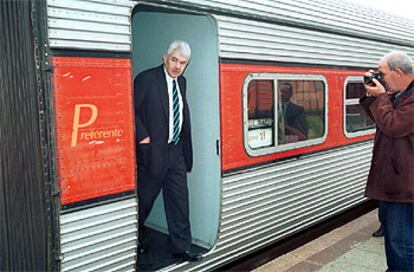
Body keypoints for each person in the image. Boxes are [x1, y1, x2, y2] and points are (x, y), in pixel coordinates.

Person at [134, 40, 201, 262]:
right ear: (165, 57)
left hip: (176, 153)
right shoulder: (146, 79)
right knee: (143, 203)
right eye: (174, 60)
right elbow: (129, 109)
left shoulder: (182, 82)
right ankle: (135, 243)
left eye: (182, 63)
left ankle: (181, 247)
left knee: (179, 203)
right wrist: (143, 138)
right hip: (152, 153)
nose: (177, 66)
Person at [360, 51, 414, 271]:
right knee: (396, 240)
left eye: (381, 73)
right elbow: (382, 120)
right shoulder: (402, 93)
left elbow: (393, 126)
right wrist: (374, 96)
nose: (379, 78)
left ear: (398, 72)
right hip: (396, 182)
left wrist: (382, 97)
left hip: (405, 186)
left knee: (402, 243)